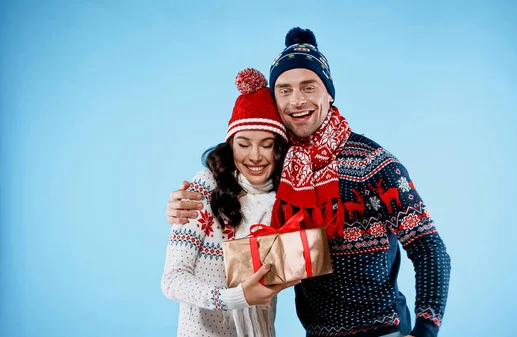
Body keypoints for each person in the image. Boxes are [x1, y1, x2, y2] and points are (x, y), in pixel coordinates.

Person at [167, 28, 451, 337]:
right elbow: (235, 177)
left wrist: (426, 328)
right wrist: (186, 203)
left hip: (383, 329)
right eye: (285, 90)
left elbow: (428, 246)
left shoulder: (373, 163)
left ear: (328, 92)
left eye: (308, 87)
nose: (297, 100)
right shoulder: (279, 166)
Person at [161, 68, 299, 337]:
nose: (255, 156)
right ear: (231, 145)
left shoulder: (283, 201)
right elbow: (172, 280)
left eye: (267, 144)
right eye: (244, 144)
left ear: (279, 148)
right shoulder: (205, 187)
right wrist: (234, 297)